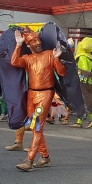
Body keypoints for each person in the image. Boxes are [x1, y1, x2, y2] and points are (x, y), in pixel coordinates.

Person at [12, 28, 66, 171]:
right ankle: (46, 157)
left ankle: (29, 161)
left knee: (37, 126)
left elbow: (62, 72)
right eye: (34, 41)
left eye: (38, 39)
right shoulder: (27, 59)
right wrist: (18, 45)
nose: (38, 42)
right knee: (35, 127)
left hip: (46, 94)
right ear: (28, 45)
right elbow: (14, 62)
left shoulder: (49, 54)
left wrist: (56, 58)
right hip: (31, 94)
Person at [69, 37, 92, 128]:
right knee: (82, 102)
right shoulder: (89, 57)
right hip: (88, 82)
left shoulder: (82, 57)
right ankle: (79, 121)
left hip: (82, 83)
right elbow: (90, 69)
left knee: (81, 101)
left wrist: (81, 81)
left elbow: (83, 71)